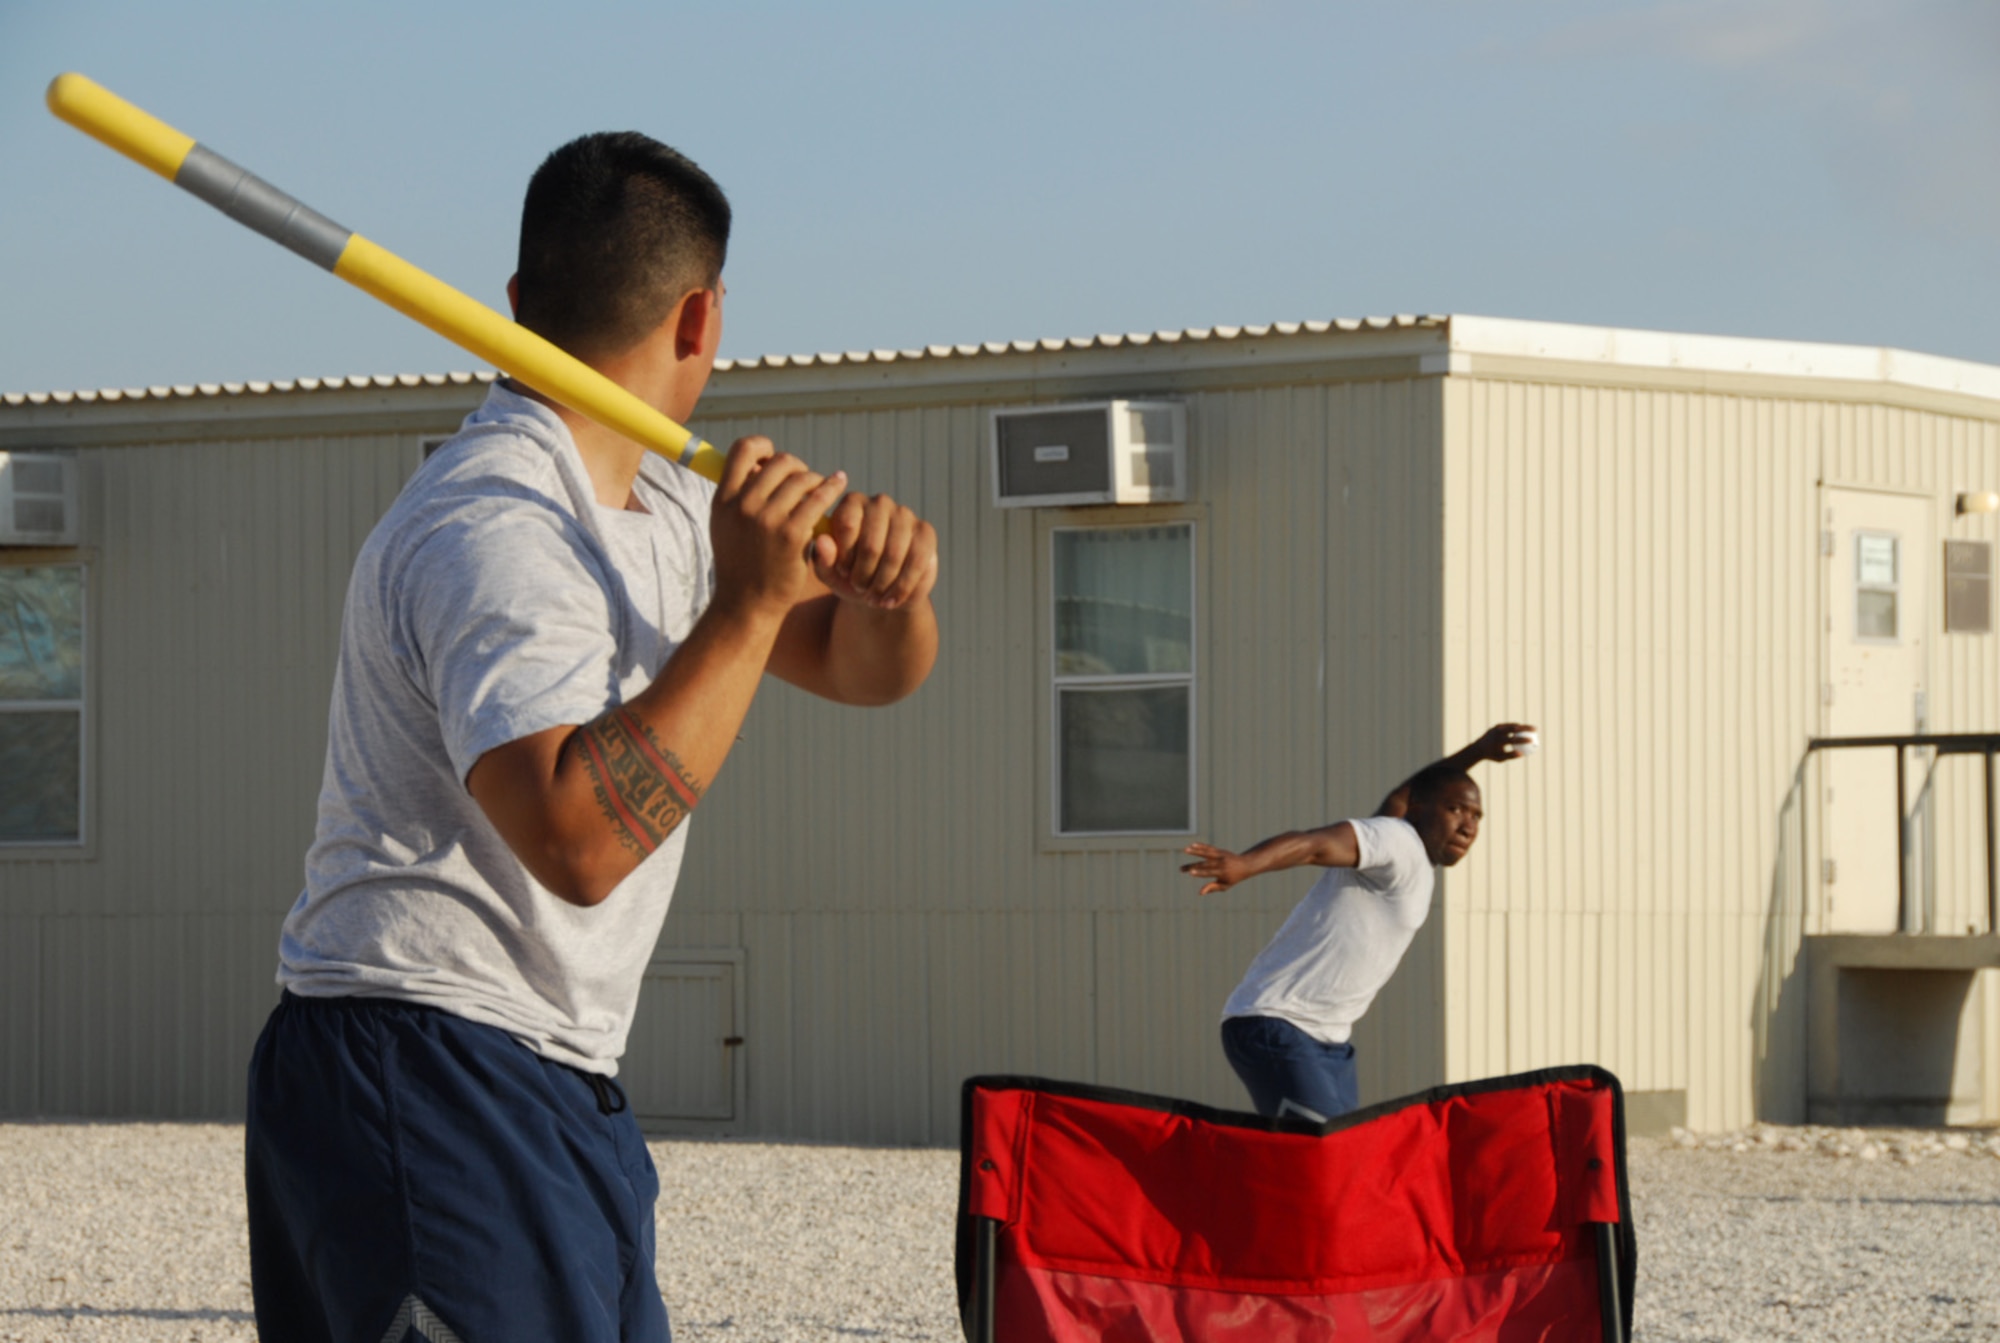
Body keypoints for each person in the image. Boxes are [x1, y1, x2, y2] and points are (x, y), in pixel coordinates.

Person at [244, 131, 939, 1343]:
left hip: (541, 1075)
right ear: (701, 318)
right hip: (423, 1059)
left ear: (517, 301)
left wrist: (894, 590)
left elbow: (864, 668)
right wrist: (746, 603)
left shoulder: (671, 501)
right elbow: (577, 838)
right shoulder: (496, 525)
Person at [1181, 724, 1533, 1123]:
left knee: (1340, 1162)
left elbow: (1407, 794)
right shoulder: (1397, 839)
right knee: (1323, 1160)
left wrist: (1477, 752)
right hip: (1277, 1024)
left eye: (1476, 816)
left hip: (1329, 1043)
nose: (1468, 826)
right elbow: (1316, 845)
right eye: (1455, 810)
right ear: (1419, 810)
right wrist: (1247, 864)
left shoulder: (1401, 845)